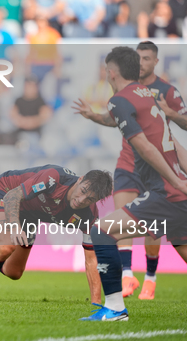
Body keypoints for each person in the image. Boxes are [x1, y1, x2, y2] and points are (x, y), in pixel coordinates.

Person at [78, 47, 187, 321]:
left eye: (106, 70)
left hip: (165, 194)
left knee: (100, 232)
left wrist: (175, 182)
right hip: (176, 193)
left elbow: (147, 148)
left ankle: (115, 309)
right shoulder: (146, 94)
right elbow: (173, 143)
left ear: (111, 72)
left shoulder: (119, 99)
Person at [0, 165, 112, 303]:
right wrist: (15, 227)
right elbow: (12, 196)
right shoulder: (53, 178)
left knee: (13, 272)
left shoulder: (90, 216)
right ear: (80, 179)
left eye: (89, 199)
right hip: (4, 192)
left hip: (31, 213)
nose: (81, 200)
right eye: (83, 191)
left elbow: (91, 261)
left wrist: (96, 304)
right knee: (6, 246)